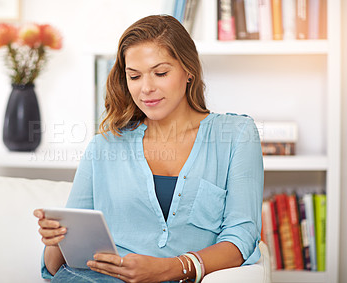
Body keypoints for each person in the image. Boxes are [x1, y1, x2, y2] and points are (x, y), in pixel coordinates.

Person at [34, 14, 263, 283]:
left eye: (161, 73)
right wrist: (55, 240)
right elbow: (54, 266)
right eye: (135, 76)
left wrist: (170, 268)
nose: (147, 89)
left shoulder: (235, 136)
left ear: (189, 70)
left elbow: (241, 238)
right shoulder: (104, 145)